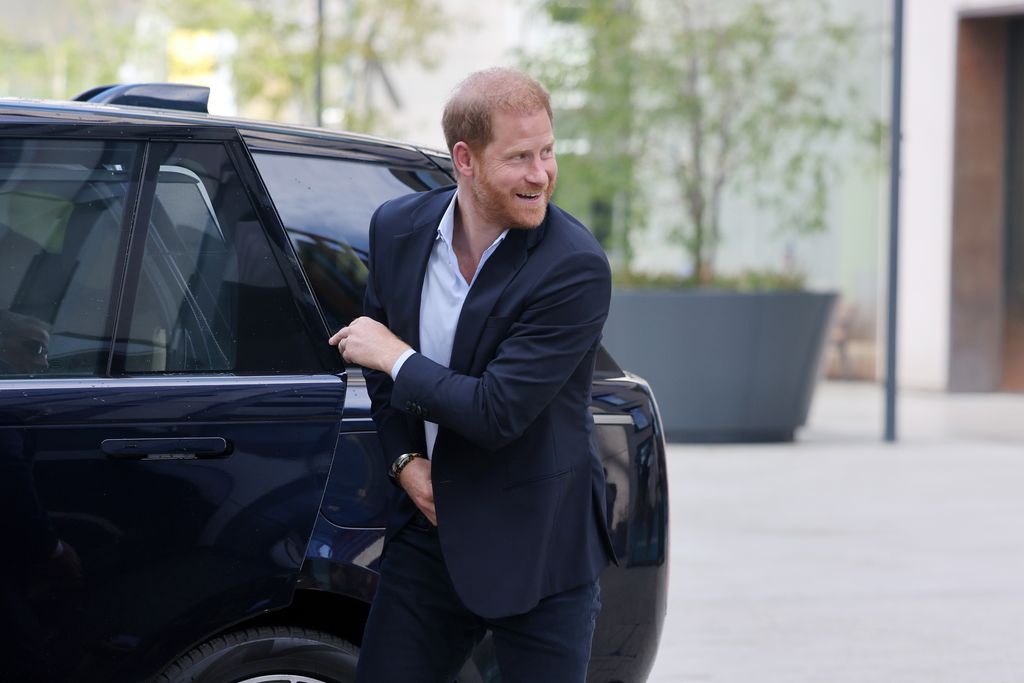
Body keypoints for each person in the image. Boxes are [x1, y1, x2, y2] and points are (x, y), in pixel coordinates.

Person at [329, 67, 615, 683]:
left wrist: (393, 354)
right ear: (465, 158)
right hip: (429, 534)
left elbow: (494, 411)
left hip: (538, 545)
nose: (541, 174)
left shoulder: (574, 268)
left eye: (547, 151)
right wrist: (405, 463)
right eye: (519, 157)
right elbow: (385, 387)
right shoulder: (398, 230)